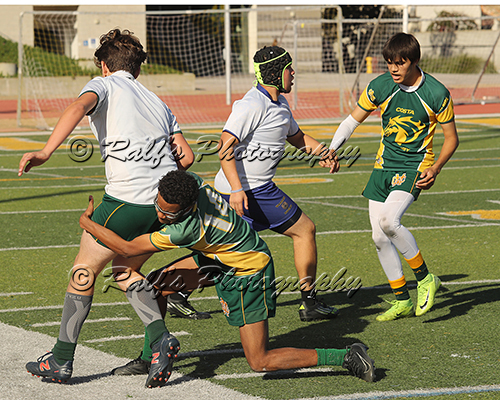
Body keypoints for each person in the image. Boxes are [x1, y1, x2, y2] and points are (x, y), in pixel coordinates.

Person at [79, 169, 376, 384]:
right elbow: (182, 171)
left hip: (247, 271)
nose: (160, 215)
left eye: (168, 214)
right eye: (158, 206)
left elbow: (127, 248)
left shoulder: (186, 229)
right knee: (156, 287)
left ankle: (346, 356)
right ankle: (150, 356)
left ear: (187, 209)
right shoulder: (192, 183)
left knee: (259, 361)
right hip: (221, 255)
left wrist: (88, 223)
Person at [20, 29, 197, 388]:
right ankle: (160, 338)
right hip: (162, 204)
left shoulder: (104, 85)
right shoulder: (157, 102)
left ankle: (61, 359)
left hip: (127, 199)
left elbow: (77, 107)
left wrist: (45, 152)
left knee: (83, 270)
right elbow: (188, 157)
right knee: (124, 270)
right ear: (137, 69)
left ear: (103, 65)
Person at [322, 32, 459, 321]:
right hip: (383, 165)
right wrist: (332, 149)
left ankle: (425, 278)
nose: (394, 69)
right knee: (378, 236)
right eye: (389, 63)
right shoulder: (380, 86)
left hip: (414, 166)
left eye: (400, 63)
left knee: (388, 221)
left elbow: (451, 138)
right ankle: (402, 301)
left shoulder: (436, 93)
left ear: (415, 61)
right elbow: (351, 121)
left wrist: (435, 168)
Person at [213, 45, 341, 322]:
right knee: (300, 231)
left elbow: (297, 137)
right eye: (288, 68)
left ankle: (172, 289)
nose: (293, 73)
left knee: (225, 250)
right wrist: (236, 189)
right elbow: (224, 147)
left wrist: (323, 152)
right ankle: (309, 302)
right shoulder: (252, 104)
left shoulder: (280, 103)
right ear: (274, 73)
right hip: (245, 192)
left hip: (257, 190)